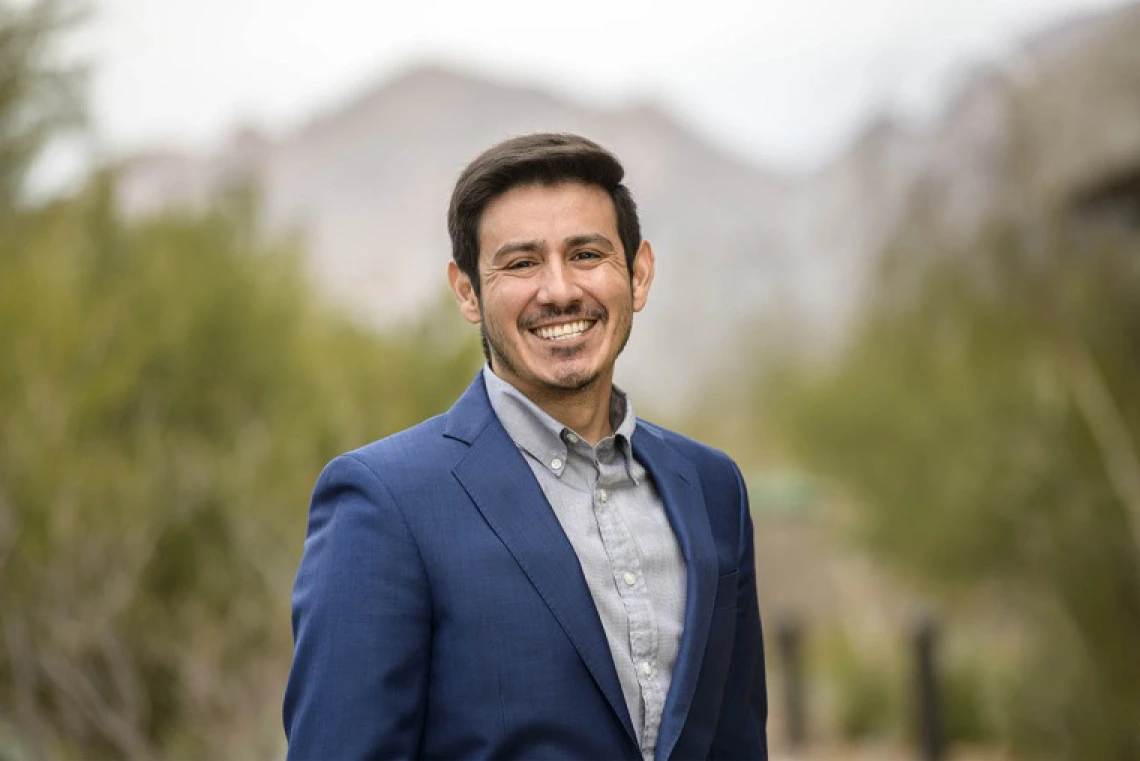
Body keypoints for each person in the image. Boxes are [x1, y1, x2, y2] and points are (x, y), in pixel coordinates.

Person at [283, 133, 768, 760]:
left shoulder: (713, 488)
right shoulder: (385, 503)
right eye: (521, 263)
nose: (560, 290)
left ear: (638, 274)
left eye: (587, 253)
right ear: (466, 292)